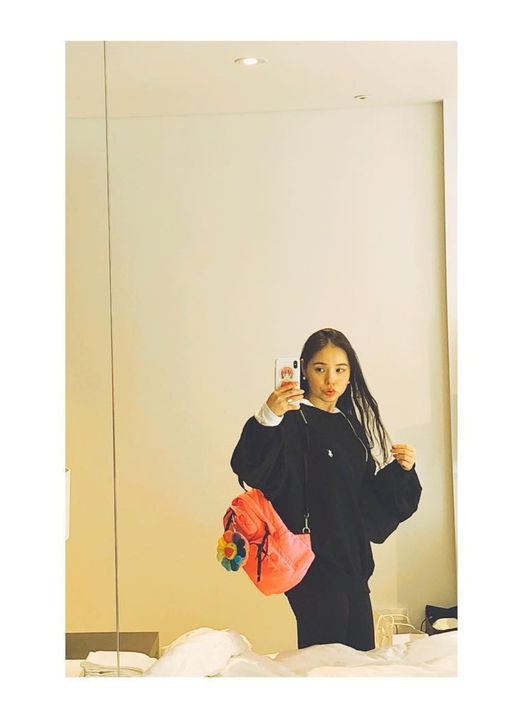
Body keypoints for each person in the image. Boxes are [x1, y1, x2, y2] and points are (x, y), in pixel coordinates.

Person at [230, 328, 422, 651]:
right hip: (313, 568)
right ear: (304, 370)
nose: (330, 379)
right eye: (320, 369)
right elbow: (251, 468)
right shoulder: (292, 419)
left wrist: (402, 471)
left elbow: (363, 498)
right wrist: (268, 416)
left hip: (353, 567)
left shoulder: (349, 425)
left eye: (340, 370)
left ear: (350, 375)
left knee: (360, 661)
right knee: (325, 665)